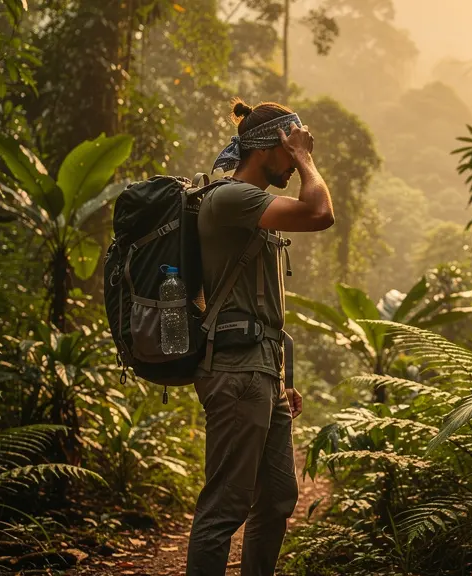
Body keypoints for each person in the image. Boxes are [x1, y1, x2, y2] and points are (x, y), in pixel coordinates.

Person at [186, 99, 334, 576]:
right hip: (234, 373)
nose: (294, 164)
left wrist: (281, 378)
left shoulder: (255, 209)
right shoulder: (231, 198)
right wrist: (308, 158)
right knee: (225, 508)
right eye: (289, 153)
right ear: (269, 146)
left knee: (275, 501)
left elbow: (264, 309)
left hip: (261, 372)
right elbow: (319, 212)